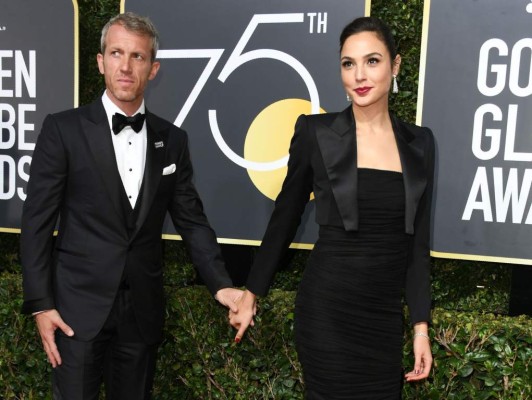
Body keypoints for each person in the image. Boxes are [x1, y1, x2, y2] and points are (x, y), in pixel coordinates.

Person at [20, 12, 242, 400]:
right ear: (100, 61)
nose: (126, 66)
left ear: (153, 69)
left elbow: (192, 220)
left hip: (141, 314)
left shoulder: (172, 139)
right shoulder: (63, 129)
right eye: (117, 53)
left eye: (137, 56)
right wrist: (41, 305)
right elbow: (36, 223)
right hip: (76, 313)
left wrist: (222, 285)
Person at [230, 16, 434, 399]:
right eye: (348, 63)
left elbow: (418, 246)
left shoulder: (420, 144)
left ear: (396, 65)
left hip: (383, 320)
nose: (359, 74)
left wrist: (420, 328)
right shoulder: (316, 133)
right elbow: (285, 218)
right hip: (329, 310)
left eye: (372, 61)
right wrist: (251, 293)